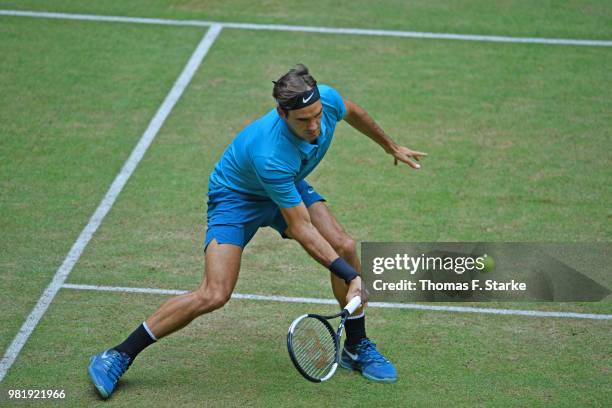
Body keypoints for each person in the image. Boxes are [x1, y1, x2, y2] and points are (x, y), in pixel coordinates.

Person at [88, 64, 426, 398]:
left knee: (345, 245)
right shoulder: (271, 154)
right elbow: (301, 227)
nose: (315, 126)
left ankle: (355, 346)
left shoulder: (328, 101)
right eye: (303, 120)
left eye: (318, 115)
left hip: (285, 185)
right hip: (236, 197)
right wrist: (350, 275)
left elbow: (353, 112)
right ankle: (118, 354)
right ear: (281, 114)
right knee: (215, 293)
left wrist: (390, 146)